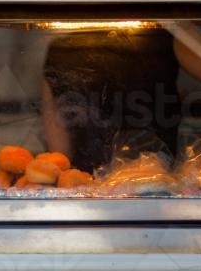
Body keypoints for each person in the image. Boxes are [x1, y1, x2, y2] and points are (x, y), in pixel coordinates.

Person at [41, 27, 181, 174]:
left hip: (88, 187)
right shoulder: (163, 38)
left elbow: (60, 154)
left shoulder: (61, 51)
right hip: (156, 185)